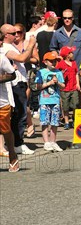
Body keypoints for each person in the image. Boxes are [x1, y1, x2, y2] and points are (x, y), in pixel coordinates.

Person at [0, 23, 37, 155]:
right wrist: (31, 44)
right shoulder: (5, 47)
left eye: (17, 33)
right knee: (19, 113)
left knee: (21, 113)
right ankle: (17, 143)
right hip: (15, 84)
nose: (16, 35)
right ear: (6, 35)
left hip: (20, 82)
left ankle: (17, 142)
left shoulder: (11, 46)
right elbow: (22, 58)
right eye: (13, 33)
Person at [35, 51, 65, 152]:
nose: (53, 63)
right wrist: (49, 83)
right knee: (44, 121)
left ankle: (53, 141)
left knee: (55, 122)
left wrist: (58, 83)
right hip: (44, 100)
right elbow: (38, 86)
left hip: (55, 99)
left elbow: (63, 86)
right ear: (45, 62)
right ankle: (46, 142)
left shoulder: (58, 72)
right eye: (51, 61)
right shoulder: (41, 72)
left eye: (55, 61)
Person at [0, 29, 19, 172]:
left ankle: (12, 155)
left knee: (5, 130)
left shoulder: (1, 58)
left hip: (2, 102)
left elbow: (12, 75)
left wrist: (1, 79)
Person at [56, 46, 79, 129]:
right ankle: (66, 121)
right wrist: (61, 73)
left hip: (73, 87)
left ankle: (74, 119)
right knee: (65, 106)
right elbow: (56, 74)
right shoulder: (61, 63)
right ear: (67, 55)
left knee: (75, 104)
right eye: (70, 53)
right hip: (65, 88)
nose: (72, 54)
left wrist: (78, 84)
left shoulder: (74, 63)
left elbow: (76, 73)